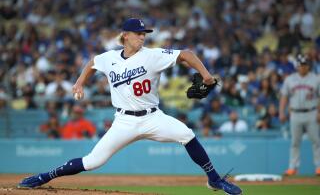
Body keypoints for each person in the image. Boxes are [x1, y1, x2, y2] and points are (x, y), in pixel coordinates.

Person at [18, 18, 242, 194]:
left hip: (153, 117)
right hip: (124, 121)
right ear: (125, 35)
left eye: (144, 33)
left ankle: (214, 179)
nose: (142, 37)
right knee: (93, 161)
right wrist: (79, 81)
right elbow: (93, 63)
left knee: (187, 134)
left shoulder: (153, 55)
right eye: (138, 33)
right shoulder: (109, 58)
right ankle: (44, 177)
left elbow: (186, 54)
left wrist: (206, 75)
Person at [279, 53, 320, 176]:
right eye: (300, 65)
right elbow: (284, 97)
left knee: (316, 141)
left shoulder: (316, 78)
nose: (302, 67)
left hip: (311, 112)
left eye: (304, 65)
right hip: (295, 113)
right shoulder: (289, 79)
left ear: (308, 66)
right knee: (295, 142)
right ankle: (292, 168)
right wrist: (281, 112)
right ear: (297, 66)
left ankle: (319, 167)